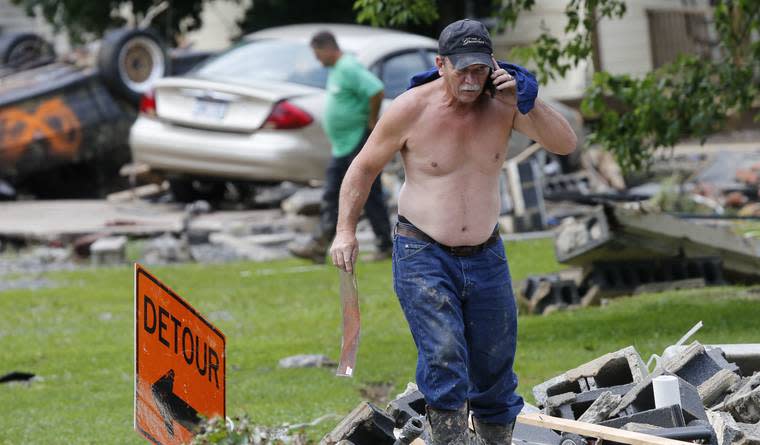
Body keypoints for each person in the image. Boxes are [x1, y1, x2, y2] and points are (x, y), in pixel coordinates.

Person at [329, 19, 577, 445]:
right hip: (423, 250)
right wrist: (344, 232)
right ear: (440, 64)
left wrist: (525, 101)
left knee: (495, 366)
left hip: (486, 253)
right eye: (461, 69)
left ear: (493, 66)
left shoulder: (504, 106)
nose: (469, 80)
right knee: (444, 356)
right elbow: (363, 168)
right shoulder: (411, 108)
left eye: (479, 70)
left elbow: (565, 143)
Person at [288, 30, 393, 263]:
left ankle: (385, 245)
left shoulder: (347, 67)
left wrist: (372, 121)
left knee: (369, 193)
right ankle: (319, 245)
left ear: (328, 48)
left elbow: (375, 89)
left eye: (317, 53)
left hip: (357, 140)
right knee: (333, 193)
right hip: (343, 145)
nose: (317, 59)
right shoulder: (337, 70)